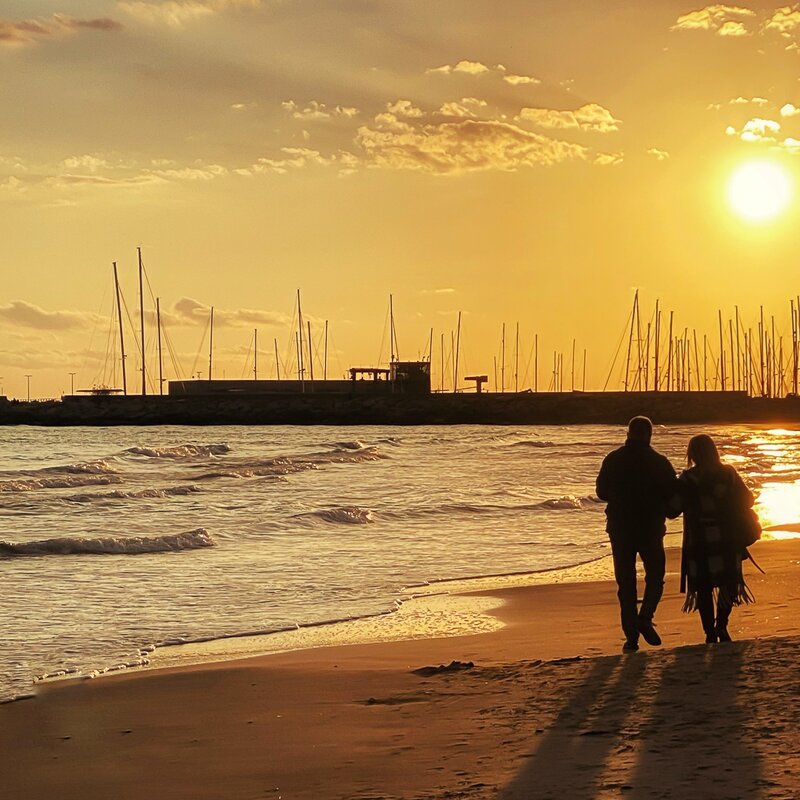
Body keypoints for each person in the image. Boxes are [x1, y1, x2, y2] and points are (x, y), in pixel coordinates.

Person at [596, 416, 679, 652]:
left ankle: (631, 637)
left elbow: (601, 492)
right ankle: (646, 616)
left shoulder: (613, 459)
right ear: (650, 435)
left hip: (620, 527)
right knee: (655, 576)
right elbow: (673, 495)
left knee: (626, 582)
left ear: (628, 433)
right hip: (651, 527)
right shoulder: (660, 462)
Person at [679, 434, 754, 643]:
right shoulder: (728, 473)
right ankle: (721, 625)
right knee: (728, 582)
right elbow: (748, 499)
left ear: (692, 454)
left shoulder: (687, 479)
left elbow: (674, 508)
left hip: (699, 540)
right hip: (729, 537)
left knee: (702, 586)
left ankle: (709, 633)